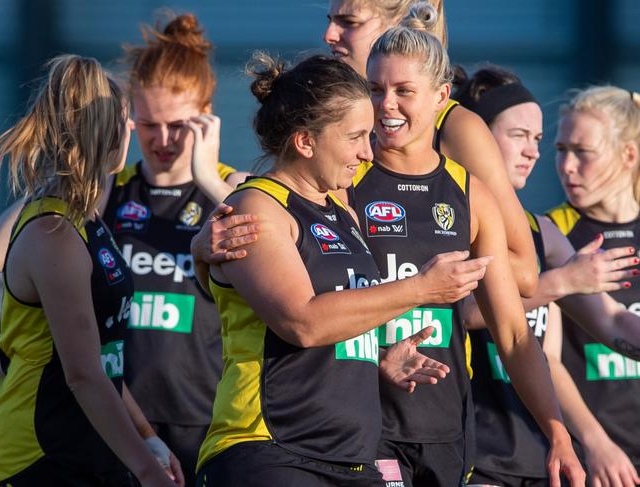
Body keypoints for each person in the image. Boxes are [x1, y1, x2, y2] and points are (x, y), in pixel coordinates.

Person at [192, 21, 585, 487]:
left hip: (436, 421)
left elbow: (516, 320)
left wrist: (557, 431)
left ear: (442, 97)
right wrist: (202, 249)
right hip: (349, 431)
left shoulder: (466, 192)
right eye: (375, 89)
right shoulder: (337, 181)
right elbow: (267, 237)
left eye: (403, 90)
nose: (386, 106)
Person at [0, 14, 246, 484]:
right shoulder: (105, 196)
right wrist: (81, 163)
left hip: (200, 417)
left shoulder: (229, 189)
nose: (163, 141)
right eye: (146, 125)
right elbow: (1, 252)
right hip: (109, 415)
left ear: (207, 117)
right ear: (126, 122)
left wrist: (209, 178)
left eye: (179, 126)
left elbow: (282, 238)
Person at [0, 55, 179, 487]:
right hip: (37, 458)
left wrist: (148, 438)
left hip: (93, 450)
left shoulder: (86, 221)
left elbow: (104, 359)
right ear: (106, 131)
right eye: (127, 120)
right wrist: (148, 472)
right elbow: (83, 373)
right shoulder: (53, 232)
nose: (132, 131)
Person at [454, 66, 640, 487]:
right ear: (476, 138)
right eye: (519, 136)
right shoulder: (451, 219)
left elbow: (611, 321)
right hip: (479, 455)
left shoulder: (542, 232)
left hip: (540, 456)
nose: (535, 153)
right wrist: (562, 282)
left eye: (537, 140)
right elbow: (466, 310)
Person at [321, 0, 538, 296]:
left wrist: (426, 249)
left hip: (444, 337)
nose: (329, 35)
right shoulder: (333, 110)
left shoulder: (456, 126)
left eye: (350, 22)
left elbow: (526, 272)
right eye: (331, 20)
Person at [546, 86, 640, 485]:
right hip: (594, 461)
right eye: (561, 149)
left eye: (582, 152)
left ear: (628, 155)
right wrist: (595, 442)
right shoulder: (553, 234)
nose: (567, 166)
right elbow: (544, 358)